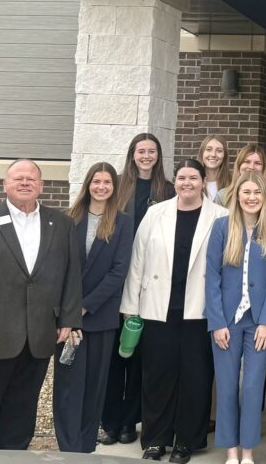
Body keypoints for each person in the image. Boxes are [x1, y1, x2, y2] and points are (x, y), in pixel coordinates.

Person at [0, 159, 82, 450]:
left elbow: (72, 275)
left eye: (31, 179)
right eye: (18, 178)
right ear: (5, 185)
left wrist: (68, 319)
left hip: (38, 336)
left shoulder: (61, 223)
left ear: (41, 186)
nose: (24, 183)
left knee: (21, 415)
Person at [120, 158, 227, 462]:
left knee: (195, 377)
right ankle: (156, 439)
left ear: (203, 181)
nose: (187, 183)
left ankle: (187, 441)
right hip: (157, 308)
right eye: (182, 178)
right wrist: (131, 308)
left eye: (193, 178)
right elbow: (137, 261)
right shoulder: (156, 213)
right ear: (175, 181)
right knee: (158, 376)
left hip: (200, 311)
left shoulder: (221, 216)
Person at [53, 162, 134, 453]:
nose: (101, 187)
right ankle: (67, 447)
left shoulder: (123, 223)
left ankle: (86, 448)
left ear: (115, 188)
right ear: (87, 185)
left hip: (100, 319)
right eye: (96, 181)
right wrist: (70, 311)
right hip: (67, 320)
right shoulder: (68, 219)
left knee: (94, 387)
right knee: (67, 387)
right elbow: (57, 268)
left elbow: (118, 271)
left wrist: (85, 307)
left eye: (107, 183)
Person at [102, 132, 176, 446]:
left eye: (152, 151)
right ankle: (110, 421)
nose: (146, 156)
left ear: (158, 156)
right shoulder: (117, 186)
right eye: (140, 151)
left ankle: (130, 421)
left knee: (138, 355)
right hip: (115, 280)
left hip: (150, 283)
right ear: (132, 155)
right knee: (114, 357)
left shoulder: (169, 189)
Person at [206, 171, 266, 464]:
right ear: (236, 196)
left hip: (258, 322)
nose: (251, 198)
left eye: (257, 193)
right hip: (226, 321)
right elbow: (211, 277)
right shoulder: (221, 227)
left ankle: (248, 452)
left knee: (252, 388)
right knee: (226, 387)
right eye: (246, 192)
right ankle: (230, 451)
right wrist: (216, 323)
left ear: (265, 197)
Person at [215, 143, 266, 224]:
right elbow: (219, 228)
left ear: (263, 168)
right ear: (238, 166)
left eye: (257, 163)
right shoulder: (222, 196)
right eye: (247, 162)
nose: (252, 167)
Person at [199, 134, 230, 203]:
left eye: (219, 151)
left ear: (224, 156)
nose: (213, 155)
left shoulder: (232, 184)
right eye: (208, 149)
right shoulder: (193, 183)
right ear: (202, 154)